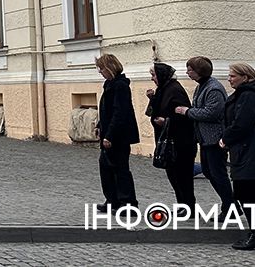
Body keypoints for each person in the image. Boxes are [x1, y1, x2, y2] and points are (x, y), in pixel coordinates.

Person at [219, 62, 255, 251]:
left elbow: (242, 123)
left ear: (246, 77)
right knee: (251, 194)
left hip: (249, 151)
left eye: (233, 76)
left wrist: (225, 139)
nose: (229, 79)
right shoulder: (246, 95)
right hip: (247, 150)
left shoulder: (248, 96)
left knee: (249, 194)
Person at [174, 56, 234, 213]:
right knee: (208, 172)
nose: (187, 72)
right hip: (205, 138)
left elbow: (212, 113)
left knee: (218, 174)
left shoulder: (213, 88)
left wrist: (187, 111)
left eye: (190, 70)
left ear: (199, 71)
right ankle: (230, 205)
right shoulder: (202, 86)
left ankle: (230, 207)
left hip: (215, 138)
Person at [145, 62, 196, 213]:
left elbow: (183, 115)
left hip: (180, 142)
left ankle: (188, 206)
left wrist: (166, 121)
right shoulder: (163, 89)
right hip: (169, 140)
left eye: (153, 75)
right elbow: (153, 111)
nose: (152, 79)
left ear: (161, 75)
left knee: (182, 176)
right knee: (174, 175)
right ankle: (182, 205)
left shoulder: (175, 90)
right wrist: (152, 98)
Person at [94, 53, 139, 213]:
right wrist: (100, 125)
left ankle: (128, 204)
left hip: (118, 136)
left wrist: (109, 135)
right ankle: (112, 200)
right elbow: (106, 110)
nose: (100, 71)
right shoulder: (110, 84)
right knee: (106, 167)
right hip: (110, 132)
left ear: (109, 68)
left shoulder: (120, 86)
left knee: (120, 169)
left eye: (101, 68)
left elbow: (119, 112)